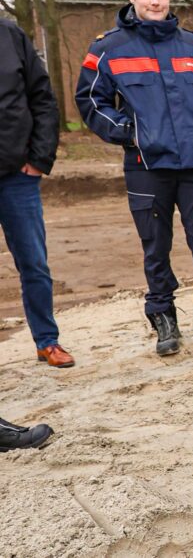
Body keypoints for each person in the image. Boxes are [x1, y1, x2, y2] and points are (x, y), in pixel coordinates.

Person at [75, 0, 193, 358]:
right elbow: (91, 102)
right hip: (146, 168)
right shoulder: (108, 49)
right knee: (156, 247)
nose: (155, 1)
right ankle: (164, 319)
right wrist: (130, 134)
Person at [0, 19, 71, 368]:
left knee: (34, 264)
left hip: (17, 177)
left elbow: (43, 99)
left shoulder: (11, 35)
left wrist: (39, 159)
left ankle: (47, 341)